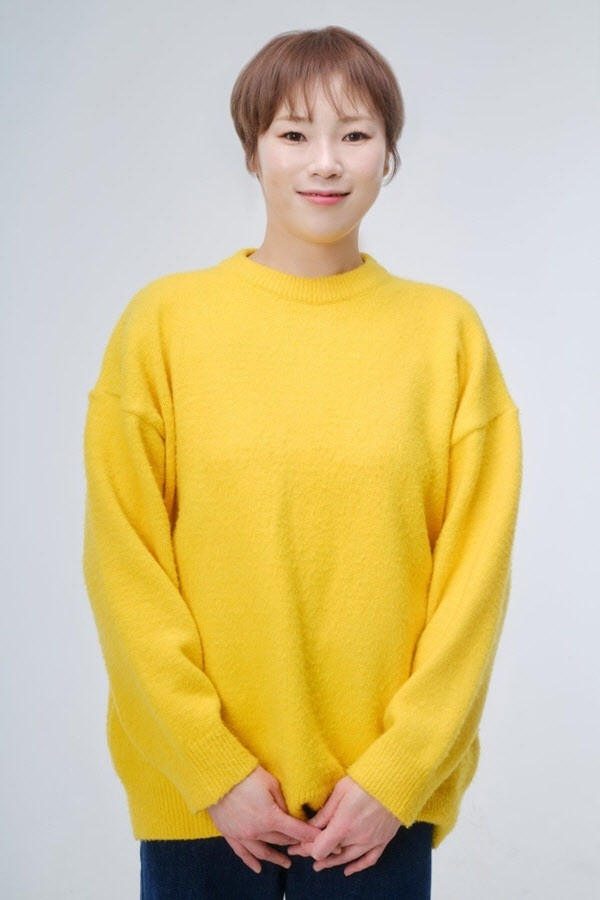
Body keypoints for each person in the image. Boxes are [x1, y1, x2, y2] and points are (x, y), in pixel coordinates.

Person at [82, 25, 523, 900]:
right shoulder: (164, 325)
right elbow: (125, 566)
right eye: (293, 133)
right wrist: (211, 767)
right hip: (201, 806)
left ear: (388, 154)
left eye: (354, 133)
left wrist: (399, 773)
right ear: (252, 150)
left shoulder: (446, 337)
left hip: (376, 815)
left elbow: (473, 582)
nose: (325, 162)